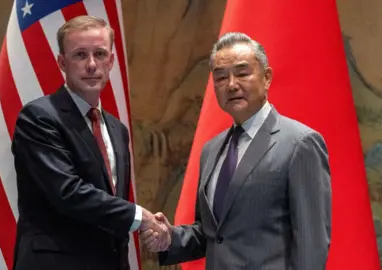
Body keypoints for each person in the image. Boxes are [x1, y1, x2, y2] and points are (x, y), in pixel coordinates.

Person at [142, 32, 332, 270]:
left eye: (242, 73)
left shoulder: (300, 143)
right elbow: (213, 233)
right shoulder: (211, 150)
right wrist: (171, 238)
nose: (231, 85)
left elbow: (311, 243)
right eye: (221, 77)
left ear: (267, 77)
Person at [11, 15, 168, 270]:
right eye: (80, 55)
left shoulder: (118, 130)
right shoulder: (38, 117)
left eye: (100, 54)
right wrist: (141, 218)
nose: (92, 64)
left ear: (112, 61)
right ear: (62, 62)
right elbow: (68, 192)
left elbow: (111, 208)